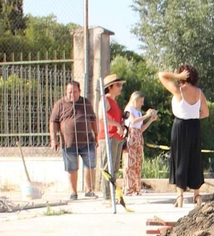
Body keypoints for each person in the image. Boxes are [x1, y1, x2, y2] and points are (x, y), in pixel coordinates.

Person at [157, 64, 208, 206]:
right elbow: (205, 113)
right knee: (195, 158)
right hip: (195, 126)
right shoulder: (199, 92)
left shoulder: (178, 91)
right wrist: (193, 114)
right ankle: (197, 195)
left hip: (180, 126)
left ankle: (180, 196)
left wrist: (177, 76)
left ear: (183, 76)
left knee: (180, 158)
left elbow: (161, 75)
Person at [48, 80, 98, 198]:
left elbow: (93, 119)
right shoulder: (60, 104)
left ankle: (89, 190)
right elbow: (53, 122)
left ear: (79, 91)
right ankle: (73, 192)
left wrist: (96, 135)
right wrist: (53, 139)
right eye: (70, 92)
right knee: (72, 168)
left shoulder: (86, 103)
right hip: (68, 143)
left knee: (90, 166)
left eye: (75, 92)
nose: (72, 94)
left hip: (87, 141)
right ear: (66, 91)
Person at [123, 91, 158, 195]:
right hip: (131, 136)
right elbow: (133, 122)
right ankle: (128, 188)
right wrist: (146, 115)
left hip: (138, 136)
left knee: (137, 162)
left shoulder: (138, 112)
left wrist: (151, 119)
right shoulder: (129, 109)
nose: (142, 104)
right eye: (141, 101)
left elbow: (141, 128)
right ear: (135, 100)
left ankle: (136, 188)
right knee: (130, 162)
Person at [100, 73, 126, 202]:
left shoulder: (114, 102)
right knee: (107, 167)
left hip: (116, 137)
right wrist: (116, 125)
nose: (120, 87)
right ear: (110, 87)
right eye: (118, 85)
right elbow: (101, 117)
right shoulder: (105, 100)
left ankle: (111, 194)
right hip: (108, 136)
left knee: (114, 168)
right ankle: (107, 196)